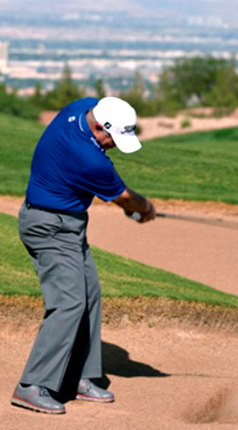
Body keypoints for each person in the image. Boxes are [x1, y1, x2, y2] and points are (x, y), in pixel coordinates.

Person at [10, 96, 156, 414]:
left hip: (68, 225)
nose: (115, 146)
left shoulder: (80, 108)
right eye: (114, 139)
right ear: (99, 127)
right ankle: (31, 386)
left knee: (90, 296)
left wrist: (135, 207)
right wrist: (146, 208)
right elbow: (126, 199)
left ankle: (77, 377)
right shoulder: (90, 159)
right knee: (69, 302)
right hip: (48, 227)